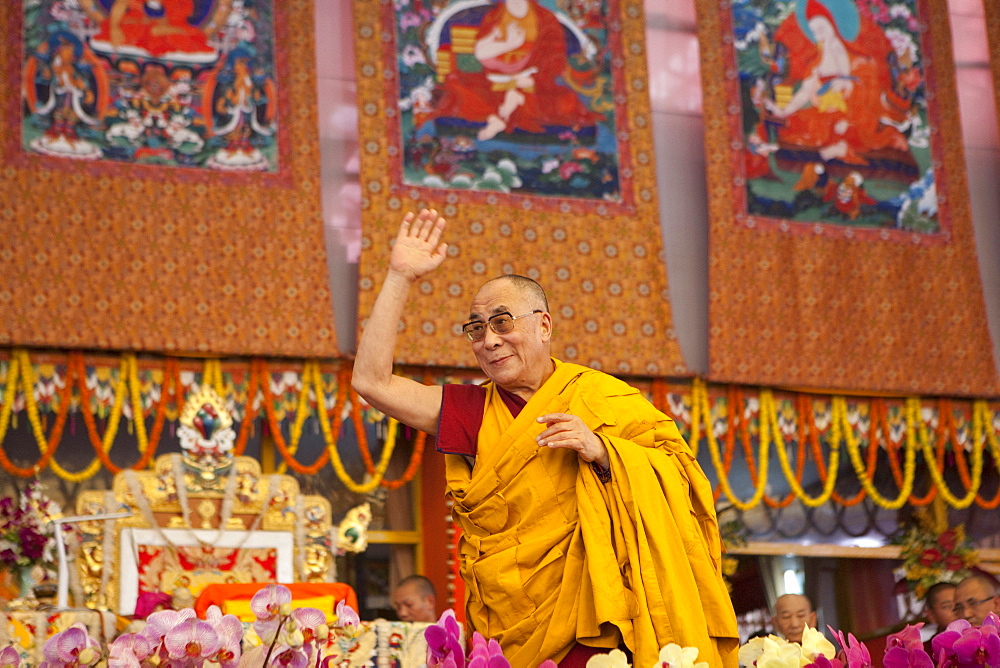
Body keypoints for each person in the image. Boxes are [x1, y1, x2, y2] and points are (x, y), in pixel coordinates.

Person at [351, 209, 738, 667]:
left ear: (544, 326)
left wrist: (603, 451)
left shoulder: (600, 398)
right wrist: (399, 276)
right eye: (476, 329)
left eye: (502, 322)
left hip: (594, 624)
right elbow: (372, 382)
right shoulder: (473, 411)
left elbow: (683, 482)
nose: (488, 340)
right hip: (507, 632)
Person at [421, 0, 603, 141]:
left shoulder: (546, 19)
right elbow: (480, 51)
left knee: (567, 101)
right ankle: (505, 112)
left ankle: (502, 115)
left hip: (532, 83)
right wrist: (508, 45)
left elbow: (555, 61)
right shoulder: (494, 17)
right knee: (457, 88)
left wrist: (534, 79)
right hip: (492, 82)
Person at [921, 582, 956, 653]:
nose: (956, 609)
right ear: (931, 615)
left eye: (959, 604)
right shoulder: (926, 652)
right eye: (947, 606)